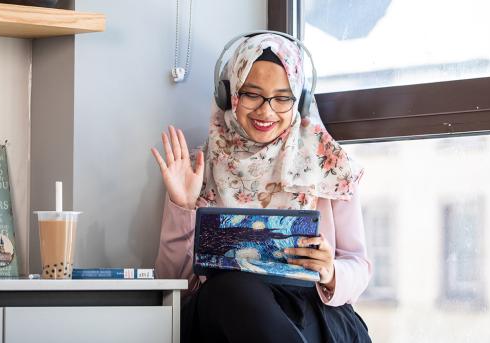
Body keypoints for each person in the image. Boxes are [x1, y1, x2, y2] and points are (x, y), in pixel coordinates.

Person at [152, 32, 372, 343]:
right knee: (228, 290)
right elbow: (175, 283)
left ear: (300, 100)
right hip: (228, 307)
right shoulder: (198, 168)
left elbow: (359, 267)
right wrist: (183, 206)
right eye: (252, 94)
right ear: (229, 95)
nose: (266, 111)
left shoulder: (328, 167)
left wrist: (330, 271)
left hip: (311, 311)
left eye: (282, 98)